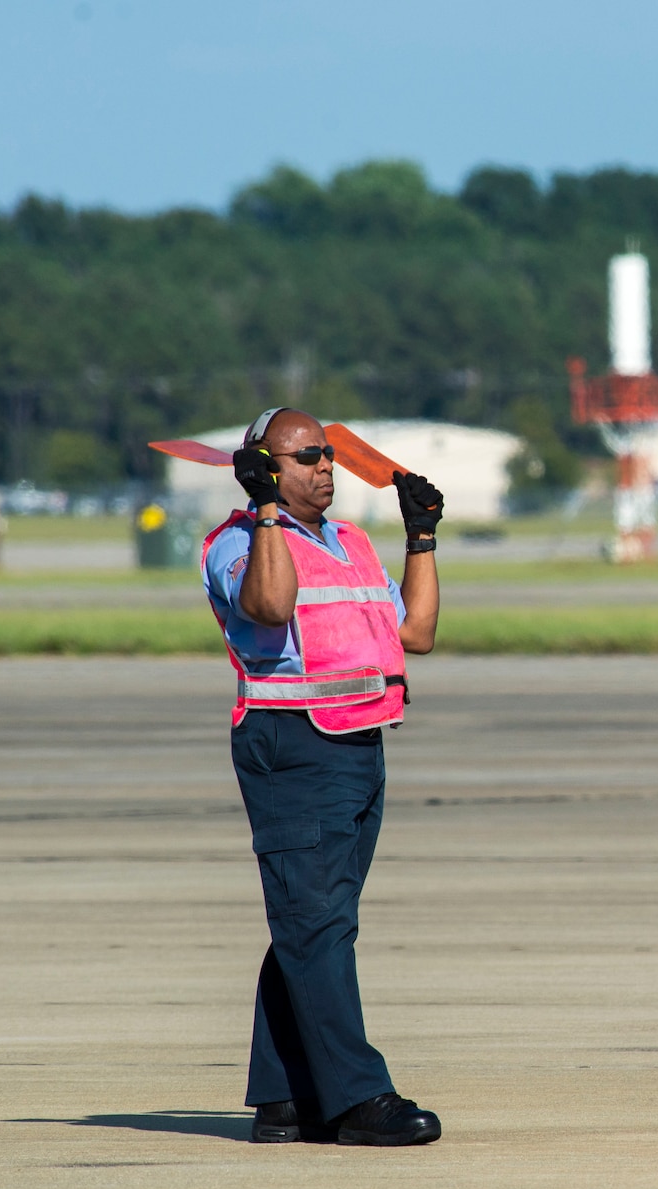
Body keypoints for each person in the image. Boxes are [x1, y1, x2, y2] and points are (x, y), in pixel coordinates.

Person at [199, 406, 445, 1147]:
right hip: (291, 746)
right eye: (304, 458)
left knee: (317, 923)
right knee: (317, 924)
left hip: (359, 744)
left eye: (327, 454)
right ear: (266, 469)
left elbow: (418, 634)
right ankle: (356, 1096)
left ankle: (281, 1095)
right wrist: (267, 509)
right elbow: (270, 608)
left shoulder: (351, 543)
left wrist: (421, 538)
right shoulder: (236, 543)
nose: (325, 468)